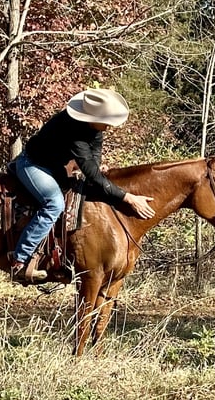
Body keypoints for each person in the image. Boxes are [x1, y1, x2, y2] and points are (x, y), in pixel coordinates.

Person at [10, 88, 156, 283]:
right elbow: (91, 172)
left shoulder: (94, 127)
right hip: (33, 165)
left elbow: (93, 159)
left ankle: (59, 257)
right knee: (54, 204)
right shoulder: (73, 129)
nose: (108, 126)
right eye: (106, 121)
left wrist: (96, 169)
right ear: (91, 117)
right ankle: (19, 260)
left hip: (55, 167)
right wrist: (128, 197)